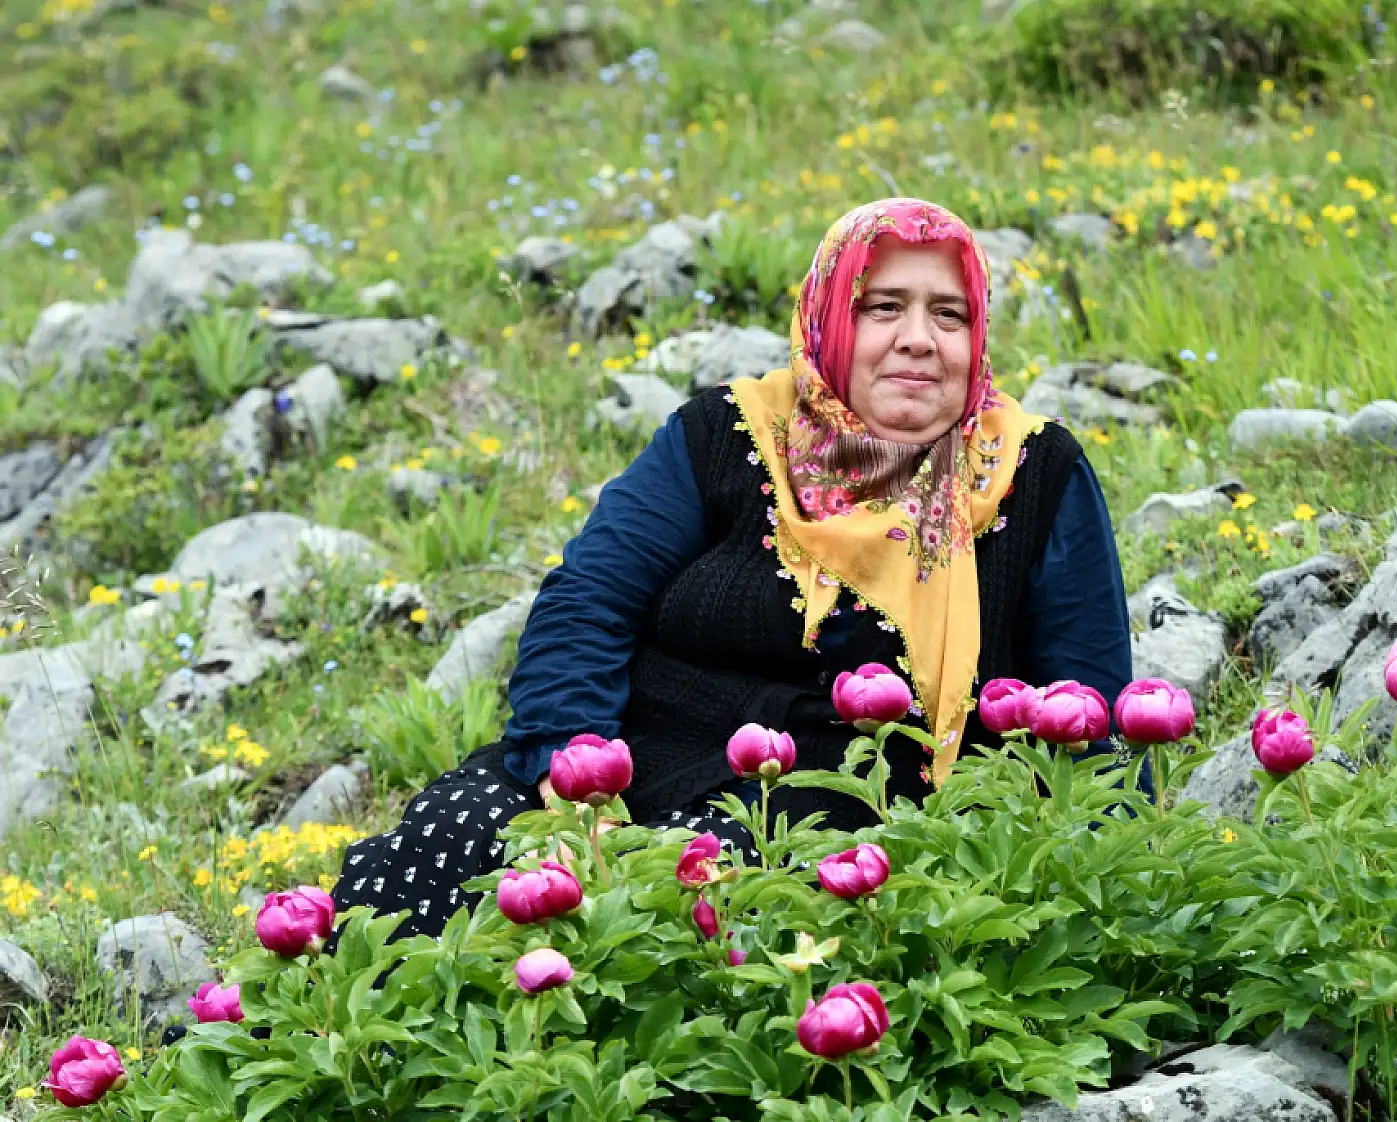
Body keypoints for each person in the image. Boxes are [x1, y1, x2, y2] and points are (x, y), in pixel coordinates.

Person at [330, 197, 1133, 941]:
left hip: (830, 812)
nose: (919, 338)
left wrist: (1102, 892)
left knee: (682, 911)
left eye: (948, 314)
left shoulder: (1032, 475)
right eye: (883, 307)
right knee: (443, 852)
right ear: (830, 318)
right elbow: (587, 603)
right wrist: (575, 786)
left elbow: (1086, 714)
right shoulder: (728, 431)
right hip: (631, 759)